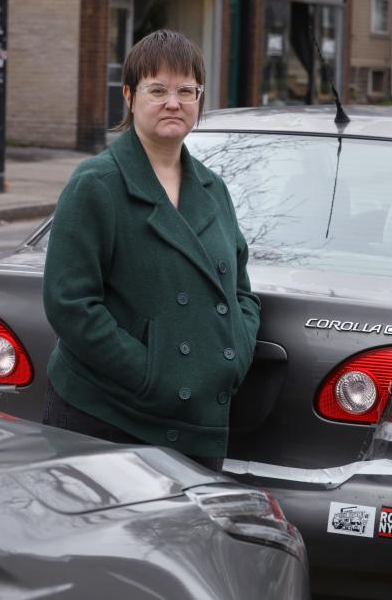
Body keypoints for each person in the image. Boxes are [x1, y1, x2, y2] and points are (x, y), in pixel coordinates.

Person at [41, 30, 260, 472]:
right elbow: (70, 305)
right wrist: (151, 373)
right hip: (107, 420)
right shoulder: (96, 184)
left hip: (199, 423)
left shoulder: (213, 189)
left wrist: (232, 356)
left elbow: (240, 291)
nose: (173, 102)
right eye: (157, 90)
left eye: (186, 91)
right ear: (129, 95)